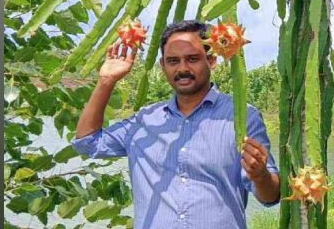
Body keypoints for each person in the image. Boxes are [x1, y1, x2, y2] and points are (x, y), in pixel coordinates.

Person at [72, 19, 280, 229]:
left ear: (212, 60)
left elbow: (270, 197)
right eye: (173, 61)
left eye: (192, 59)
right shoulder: (144, 121)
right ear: (163, 66)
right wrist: (106, 81)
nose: (182, 68)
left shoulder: (242, 117)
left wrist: (261, 175)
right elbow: (87, 143)